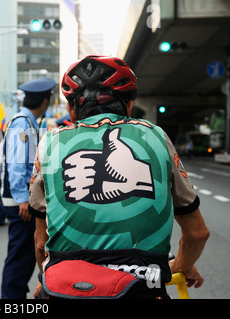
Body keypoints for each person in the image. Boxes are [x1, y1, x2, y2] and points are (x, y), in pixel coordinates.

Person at [29, 55, 210, 299]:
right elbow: (197, 233)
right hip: (143, 286)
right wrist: (181, 266)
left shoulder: (49, 143)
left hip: (66, 289)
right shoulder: (155, 136)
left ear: (71, 109)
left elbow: (42, 243)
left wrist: (47, 276)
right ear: (130, 105)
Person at [0, 77, 56, 299]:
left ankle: (14, 295)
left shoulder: (25, 121)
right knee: (20, 257)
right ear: (45, 101)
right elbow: (16, 163)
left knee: (22, 256)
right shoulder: (23, 122)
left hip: (21, 199)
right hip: (20, 202)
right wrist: (23, 198)